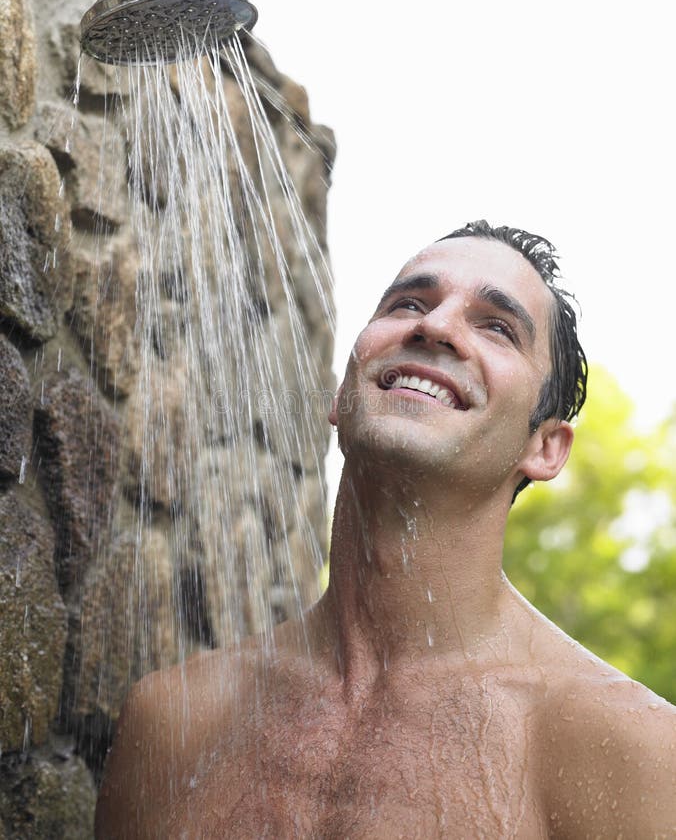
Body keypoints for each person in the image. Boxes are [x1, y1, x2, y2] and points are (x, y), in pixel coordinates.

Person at [96, 221, 676, 838]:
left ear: (545, 447)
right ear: (342, 392)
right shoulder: (175, 723)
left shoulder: (629, 751)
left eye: (497, 326)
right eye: (409, 304)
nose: (435, 326)